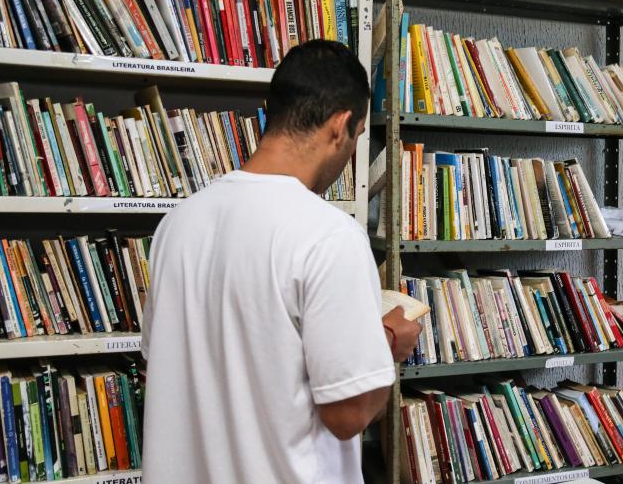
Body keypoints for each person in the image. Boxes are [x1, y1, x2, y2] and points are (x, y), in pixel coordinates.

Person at [141, 40, 422, 483]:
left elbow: (170, 364)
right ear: (341, 124)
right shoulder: (328, 236)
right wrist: (388, 342)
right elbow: (347, 414)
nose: (351, 150)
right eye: (358, 135)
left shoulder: (177, 224)